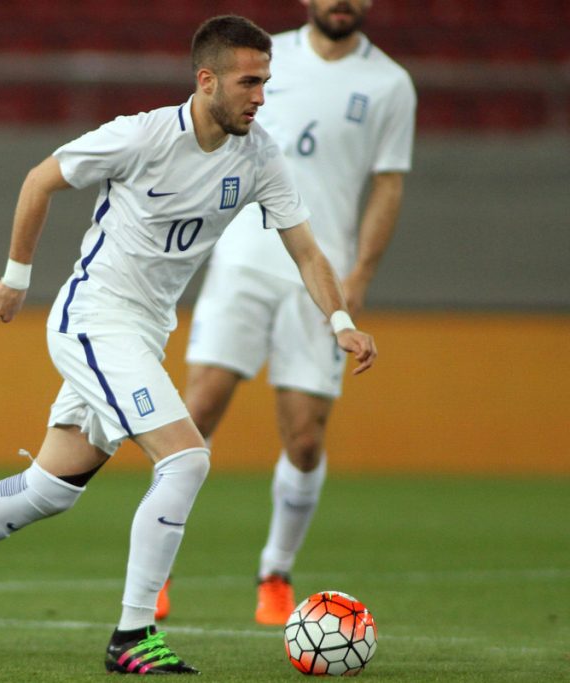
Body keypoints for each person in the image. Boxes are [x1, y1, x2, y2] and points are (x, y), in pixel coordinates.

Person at [0, 14, 376, 676]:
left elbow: (306, 251)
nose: (260, 96)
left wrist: (340, 322)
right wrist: (16, 277)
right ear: (207, 80)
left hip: (142, 332)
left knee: (50, 489)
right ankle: (133, 634)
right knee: (186, 459)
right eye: (248, 82)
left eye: (265, 82)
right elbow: (40, 179)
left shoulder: (259, 157)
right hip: (95, 319)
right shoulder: (142, 135)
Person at [158, 0, 416, 626]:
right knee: (196, 413)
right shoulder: (260, 61)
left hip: (321, 274)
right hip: (242, 260)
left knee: (303, 439)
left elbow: (388, 184)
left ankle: (275, 570)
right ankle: (155, 569)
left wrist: (361, 274)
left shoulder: (389, 84)